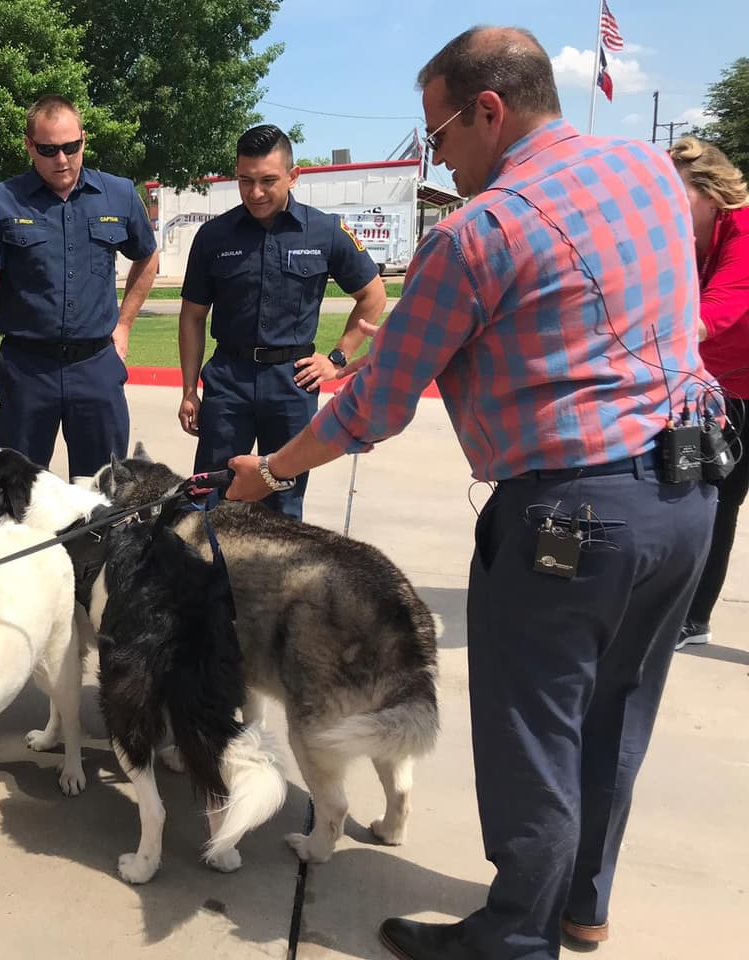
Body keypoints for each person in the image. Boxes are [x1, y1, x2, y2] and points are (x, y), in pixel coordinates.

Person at [225, 27, 715, 960]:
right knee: (619, 712)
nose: (436, 158)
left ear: (489, 110)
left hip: (570, 518)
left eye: (439, 135)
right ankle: (583, 901)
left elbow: (375, 404)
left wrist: (273, 472)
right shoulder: (650, 171)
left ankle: (517, 937)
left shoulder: (481, 231)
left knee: (534, 733)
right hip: (685, 496)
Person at [177, 123, 386, 518]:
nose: (255, 192)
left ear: (293, 176)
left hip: (291, 385)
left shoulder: (325, 231)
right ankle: (207, 577)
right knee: (210, 495)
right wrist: (190, 389)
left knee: (284, 501)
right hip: (229, 381)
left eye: (268, 181)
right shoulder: (214, 236)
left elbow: (372, 296)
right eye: (245, 181)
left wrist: (337, 360)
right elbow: (192, 315)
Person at [0, 94, 159, 480]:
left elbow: (147, 256)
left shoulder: (118, 193)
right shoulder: (0, 201)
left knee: (104, 490)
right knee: (18, 492)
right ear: (29, 146)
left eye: (72, 147)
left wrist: (124, 326)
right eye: (48, 149)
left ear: (84, 138)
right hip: (26, 370)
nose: (62, 159)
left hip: (95, 366)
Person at [668, 137, 749, 651]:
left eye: (676, 196)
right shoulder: (683, 239)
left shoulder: (744, 229)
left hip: (737, 391)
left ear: (711, 192)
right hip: (711, 389)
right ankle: (689, 615)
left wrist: (663, 328)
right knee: (700, 498)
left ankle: (692, 617)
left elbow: (723, 303)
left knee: (714, 499)